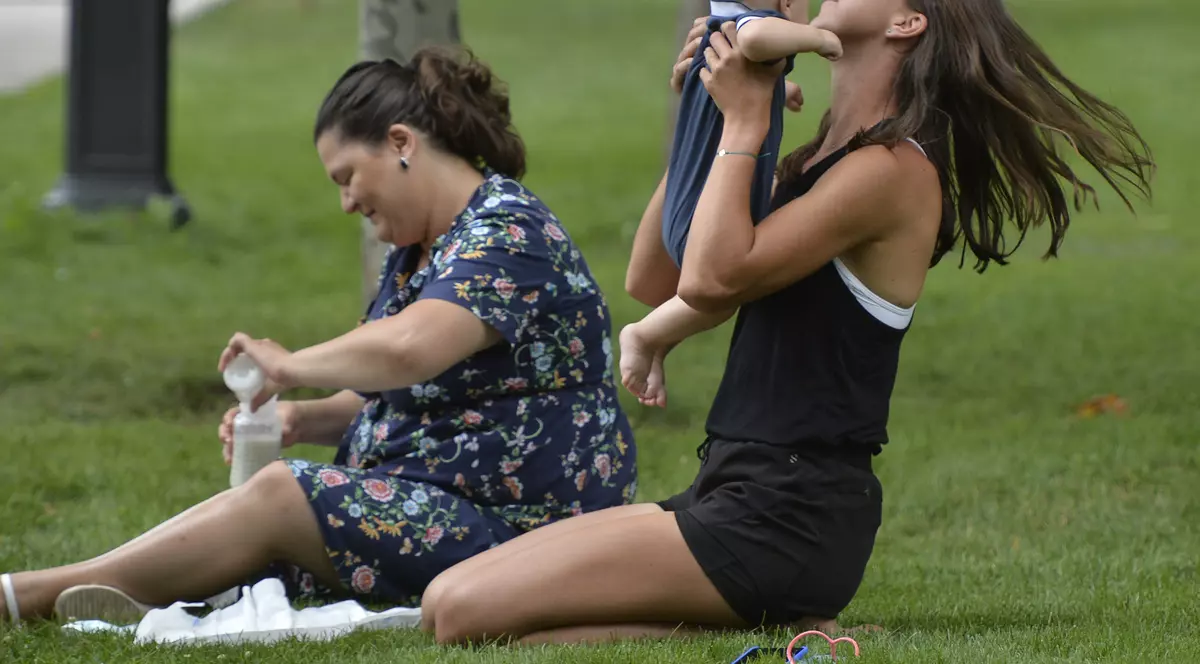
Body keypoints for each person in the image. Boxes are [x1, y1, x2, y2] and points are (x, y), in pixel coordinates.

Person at [418, 0, 1152, 645]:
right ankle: (772, 617)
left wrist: (742, 119)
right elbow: (659, 276)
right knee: (445, 599)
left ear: (908, 22)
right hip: (732, 491)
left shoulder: (894, 171)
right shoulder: (816, 159)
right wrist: (706, 124)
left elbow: (714, 277)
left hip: (789, 514)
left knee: (461, 613)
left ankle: (764, 614)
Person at [0, 46, 636, 625]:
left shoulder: (508, 229)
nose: (346, 203)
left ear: (399, 143)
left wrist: (289, 364)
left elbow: (414, 349)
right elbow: (397, 394)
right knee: (258, 521)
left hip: (527, 532)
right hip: (442, 505)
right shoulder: (424, 250)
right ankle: (116, 592)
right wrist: (302, 420)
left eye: (346, 176)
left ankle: (27, 597)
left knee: (280, 495)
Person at [621, 0, 840, 406]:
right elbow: (758, 38)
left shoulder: (725, 30)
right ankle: (648, 334)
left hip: (694, 198)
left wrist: (766, 94)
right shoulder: (756, 26)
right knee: (721, 291)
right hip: (708, 218)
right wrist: (818, 37)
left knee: (713, 285)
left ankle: (657, 337)